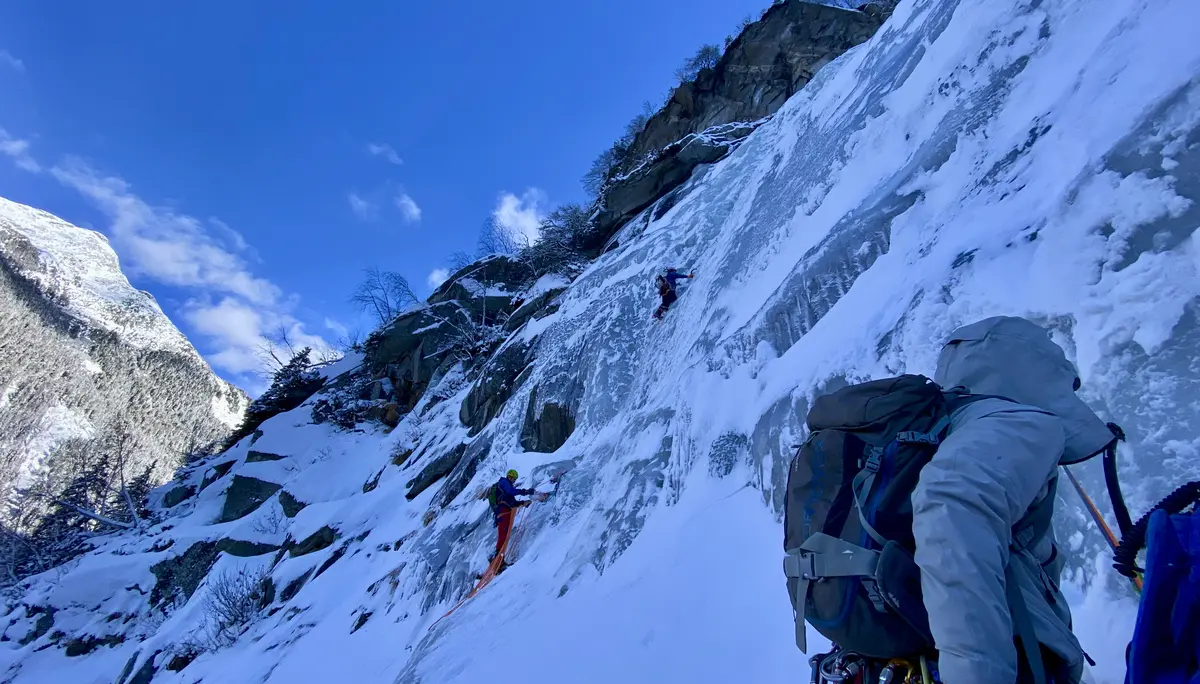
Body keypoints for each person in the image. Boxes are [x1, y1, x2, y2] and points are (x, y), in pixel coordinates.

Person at [914, 316, 1115, 683]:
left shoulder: (941, 425)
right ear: (1031, 370)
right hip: (1004, 653)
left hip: (913, 649)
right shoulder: (1012, 422)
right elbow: (949, 510)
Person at [489, 469, 536, 568]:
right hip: (503, 513)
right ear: (509, 477)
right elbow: (512, 491)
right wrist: (526, 491)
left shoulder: (505, 491)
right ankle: (498, 560)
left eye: (514, 479)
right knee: (503, 537)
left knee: (503, 536)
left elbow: (513, 503)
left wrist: (523, 503)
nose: (513, 481)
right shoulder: (504, 482)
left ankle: (496, 558)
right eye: (513, 478)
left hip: (503, 513)